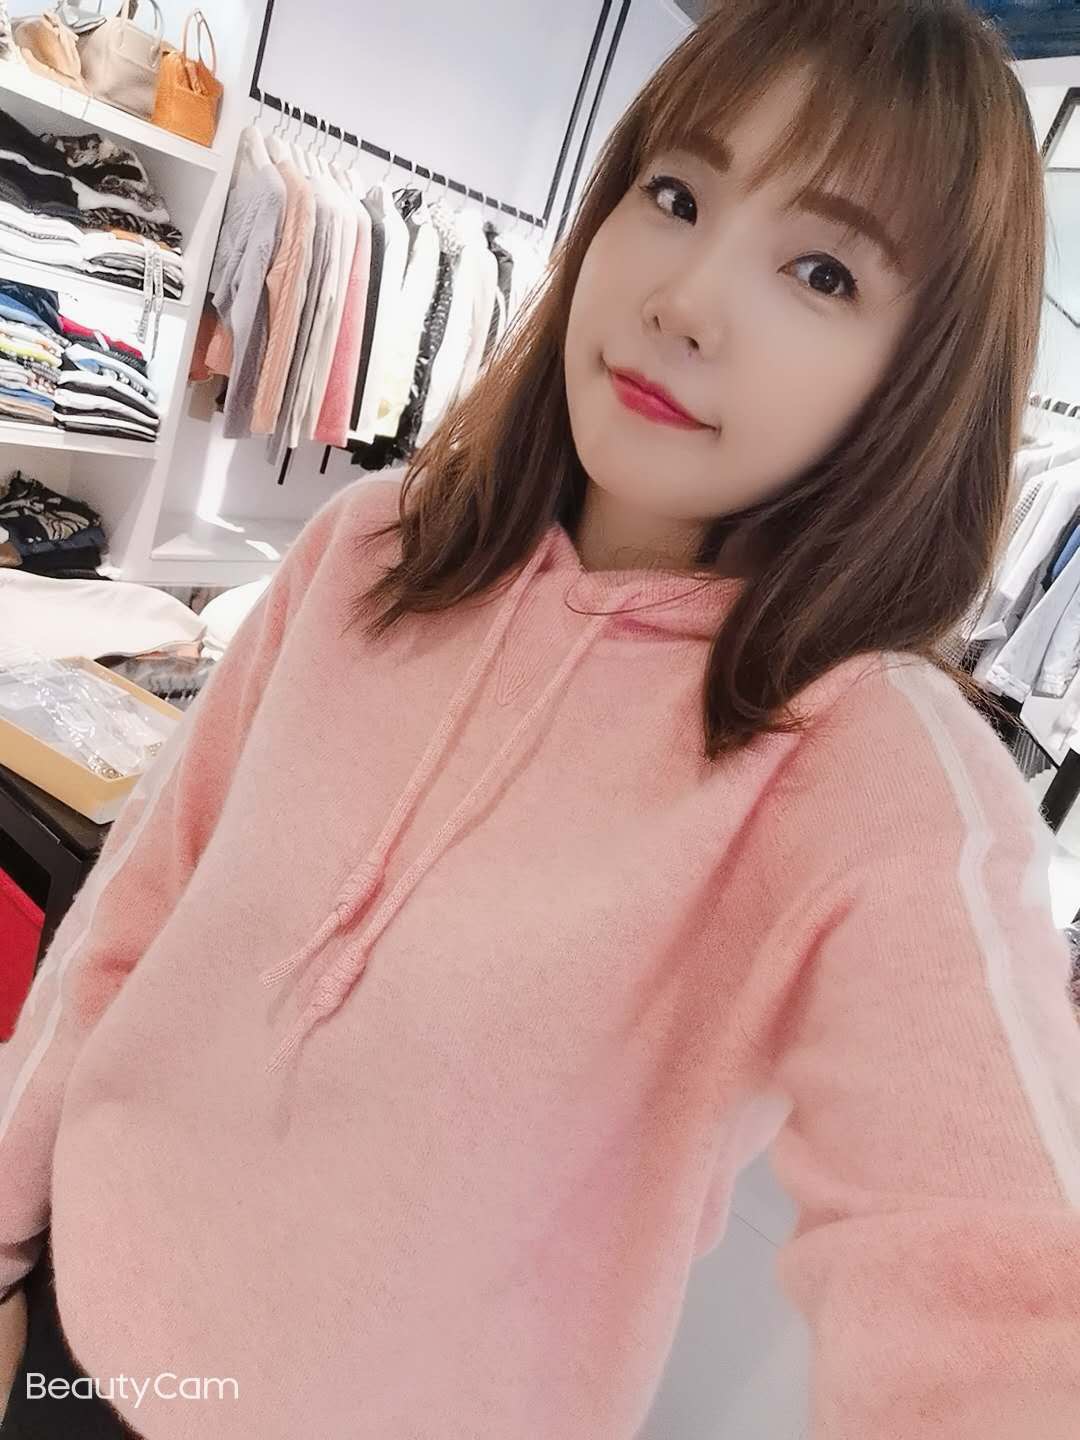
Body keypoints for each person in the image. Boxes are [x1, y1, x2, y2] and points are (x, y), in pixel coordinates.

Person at [1, 1, 1079, 1435]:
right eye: (676, 194)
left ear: (923, 376)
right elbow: (139, 908)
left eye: (821, 271)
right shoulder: (376, 547)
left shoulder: (865, 769)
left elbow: (995, 1286)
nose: (685, 298)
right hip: (70, 1330)